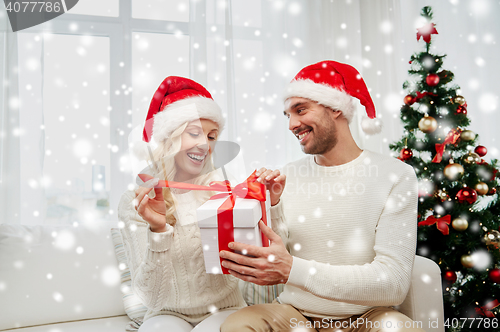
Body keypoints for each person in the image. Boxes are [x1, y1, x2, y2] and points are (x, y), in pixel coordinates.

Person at [219, 61, 425, 332]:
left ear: (336, 107)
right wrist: (274, 205)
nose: (292, 124)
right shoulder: (286, 176)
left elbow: (393, 284)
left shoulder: (395, 175)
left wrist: (294, 269)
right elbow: (279, 254)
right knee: (238, 325)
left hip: (367, 318)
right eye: (287, 115)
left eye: (301, 110)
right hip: (295, 316)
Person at [117, 76, 247, 332]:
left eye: (212, 137)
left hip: (226, 309)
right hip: (164, 313)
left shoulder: (226, 189)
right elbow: (148, 295)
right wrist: (158, 231)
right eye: (194, 133)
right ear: (170, 139)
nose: (205, 144)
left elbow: (255, 263)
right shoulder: (138, 201)